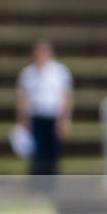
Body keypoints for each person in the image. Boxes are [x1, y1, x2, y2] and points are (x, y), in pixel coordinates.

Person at [17, 40, 72, 190]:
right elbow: (24, 99)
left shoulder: (60, 72)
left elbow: (66, 97)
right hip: (36, 117)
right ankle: (37, 188)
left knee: (53, 154)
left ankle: (51, 188)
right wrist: (23, 121)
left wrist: (65, 120)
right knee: (37, 154)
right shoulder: (28, 73)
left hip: (54, 117)